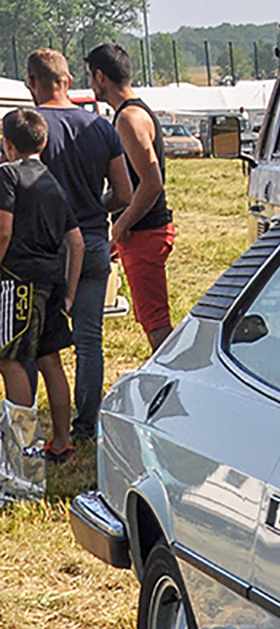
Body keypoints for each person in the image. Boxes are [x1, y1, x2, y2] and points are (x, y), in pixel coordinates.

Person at [27, 48, 131, 442]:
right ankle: (86, 424)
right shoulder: (101, 128)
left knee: (36, 342)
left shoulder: (27, 128)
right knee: (90, 340)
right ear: (68, 80)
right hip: (91, 242)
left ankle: (33, 424)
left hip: (43, 248)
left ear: (33, 83)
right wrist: (91, 207)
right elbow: (123, 192)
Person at [0, 107, 84, 486]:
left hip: (17, 281)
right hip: (51, 282)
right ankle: (62, 442)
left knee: (12, 362)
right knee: (50, 361)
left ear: (7, 144)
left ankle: (23, 460)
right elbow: (77, 242)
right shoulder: (53, 182)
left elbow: (3, 231)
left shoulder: (7, 174)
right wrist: (68, 292)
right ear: (44, 141)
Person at [86, 43, 172, 351]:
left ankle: (171, 383)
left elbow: (151, 183)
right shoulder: (133, 113)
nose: (91, 84)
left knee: (155, 321)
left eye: (90, 77)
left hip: (145, 230)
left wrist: (122, 224)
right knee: (149, 316)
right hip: (142, 230)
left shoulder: (128, 119)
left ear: (100, 76)